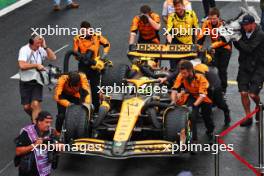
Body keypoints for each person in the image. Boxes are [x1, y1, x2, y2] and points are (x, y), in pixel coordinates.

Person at [171, 60, 214, 142]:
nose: (182, 75)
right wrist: (173, 101)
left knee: (207, 117)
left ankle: (210, 132)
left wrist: (194, 106)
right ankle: (193, 139)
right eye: (181, 73)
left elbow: (202, 95)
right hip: (193, 96)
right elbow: (174, 89)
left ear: (190, 71)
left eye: (184, 73)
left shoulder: (201, 78)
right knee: (191, 117)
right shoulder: (181, 75)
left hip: (204, 98)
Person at [233, 15, 264, 126]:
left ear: (253, 24)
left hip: (258, 67)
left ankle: (259, 105)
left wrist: (238, 39)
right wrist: (233, 38)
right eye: (244, 25)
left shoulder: (260, 34)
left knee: (252, 94)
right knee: (243, 93)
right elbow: (239, 47)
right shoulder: (242, 31)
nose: (245, 27)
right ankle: (248, 116)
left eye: (247, 25)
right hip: (244, 65)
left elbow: (249, 49)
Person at [18, 34, 56, 123]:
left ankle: (37, 127)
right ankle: (36, 118)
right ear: (31, 42)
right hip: (25, 80)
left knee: (35, 104)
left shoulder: (41, 49)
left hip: (37, 80)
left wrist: (45, 47)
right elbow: (22, 65)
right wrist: (36, 65)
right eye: (37, 43)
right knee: (27, 107)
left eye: (40, 43)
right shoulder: (24, 50)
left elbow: (53, 57)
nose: (39, 45)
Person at [73, 21, 110, 112]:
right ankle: (82, 110)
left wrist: (103, 57)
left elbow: (107, 44)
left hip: (95, 66)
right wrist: (81, 57)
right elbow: (75, 54)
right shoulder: (77, 39)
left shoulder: (97, 36)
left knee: (95, 89)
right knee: (82, 88)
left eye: (88, 30)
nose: (86, 32)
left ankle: (97, 109)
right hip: (83, 66)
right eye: (84, 31)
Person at [198, 8, 232, 94]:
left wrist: (212, 46)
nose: (212, 20)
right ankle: (214, 87)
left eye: (214, 18)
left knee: (222, 70)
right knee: (212, 67)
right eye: (211, 18)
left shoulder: (223, 24)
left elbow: (224, 40)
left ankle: (223, 90)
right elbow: (201, 37)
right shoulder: (206, 23)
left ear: (218, 18)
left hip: (225, 48)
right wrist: (198, 47)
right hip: (214, 48)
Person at [15, 111, 54, 176]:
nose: (49, 125)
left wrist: (58, 146)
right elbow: (18, 151)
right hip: (29, 171)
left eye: (50, 122)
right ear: (39, 122)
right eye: (46, 122)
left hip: (44, 171)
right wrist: (34, 145)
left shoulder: (51, 131)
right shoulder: (27, 132)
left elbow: (55, 144)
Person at [166, 0, 198, 69]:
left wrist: (195, 43)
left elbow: (196, 28)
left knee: (187, 67)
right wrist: (169, 43)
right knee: (174, 68)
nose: (177, 8)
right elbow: (169, 31)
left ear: (183, 6)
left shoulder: (191, 14)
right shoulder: (171, 16)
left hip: (189, 44)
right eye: (176, 7)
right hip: (176, 44)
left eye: (179, 6)